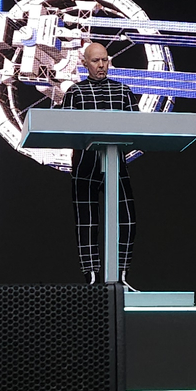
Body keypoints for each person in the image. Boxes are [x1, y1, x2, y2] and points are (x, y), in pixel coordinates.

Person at [62, 41, 139, 287]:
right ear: (85, 63)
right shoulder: (75, 92)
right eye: (96, 61)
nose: (101, 65)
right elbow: (63, 129)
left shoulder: (123, 91)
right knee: (86, 221)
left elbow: (140, 128)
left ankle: (121, 276)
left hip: (116, 163)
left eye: (105, 60)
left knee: (127, 219)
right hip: (85, 164)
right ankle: (92, 279)